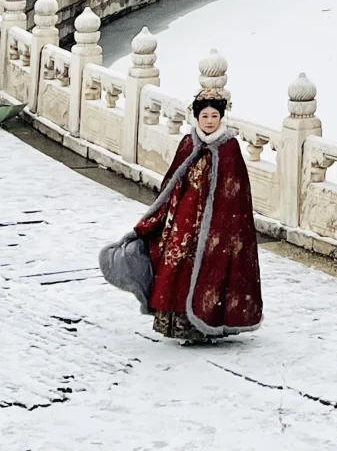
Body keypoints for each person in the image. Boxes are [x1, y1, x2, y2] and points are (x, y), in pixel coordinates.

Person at [103, 88, 262, 342]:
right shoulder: (189, 144)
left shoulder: (229, 148)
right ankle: (176, 323)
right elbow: (172, 181)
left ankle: (204, 326)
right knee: (174, 264)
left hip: (216, 224)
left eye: (214, 116)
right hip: (184, 217)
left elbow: (237, 193)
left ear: (222, 117)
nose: (209, 121)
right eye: (205, 116)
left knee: (209, 270)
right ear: (196, 117)